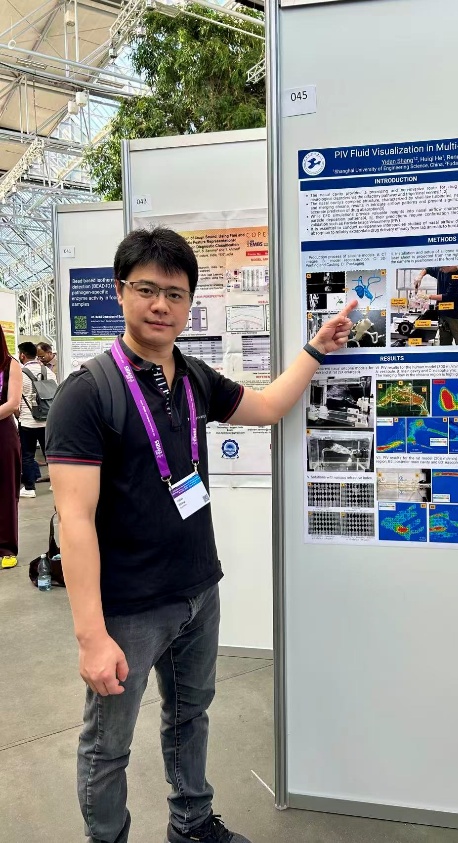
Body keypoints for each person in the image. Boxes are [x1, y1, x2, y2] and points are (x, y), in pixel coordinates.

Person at [46, 227, 355, 843]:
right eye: (146, 290)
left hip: (197, 589)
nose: (161, 305)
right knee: (108, 744)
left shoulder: (192, 377)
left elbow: (266, 407)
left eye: (175, 294)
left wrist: (316, 349)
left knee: (191, 716)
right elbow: (75, 521)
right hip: (129, 607)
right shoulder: (87, 393)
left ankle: (191, 825)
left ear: (188, 302)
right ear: (120, 291)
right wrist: (91, 636)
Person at [17, 341, 57, 498]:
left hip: (28, 422)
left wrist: (18, 415)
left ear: (22, 355)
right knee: (50, 454)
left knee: (28, 455)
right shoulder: (49, 372)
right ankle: (55, 484)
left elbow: (16, 400)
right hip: (47, 420)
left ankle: (29, 488)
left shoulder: (20, 374)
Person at [0, 325, 22, 569]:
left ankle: (6, 548)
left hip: (3, 433)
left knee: (6, 491)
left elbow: (13, 403)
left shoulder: (10, 364)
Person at [414, 265, 458, 345]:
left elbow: (449, 297)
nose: (440, 270)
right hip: (443, 314)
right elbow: (428, 269)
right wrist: (420, 276)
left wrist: (428, 296)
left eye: (442, 268)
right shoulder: (442, 268)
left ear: (450, 265)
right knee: (444, 343)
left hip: (456, 315)